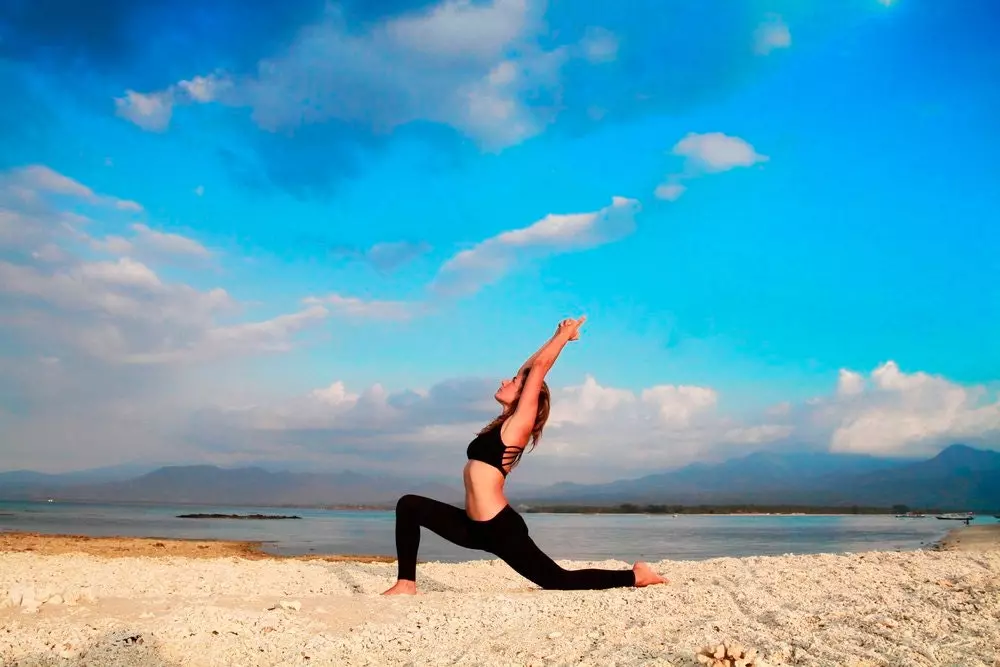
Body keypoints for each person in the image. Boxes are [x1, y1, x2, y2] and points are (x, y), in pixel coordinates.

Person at [382, 316, 668, 595]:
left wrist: (563, 337)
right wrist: (552, 336)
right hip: (470, 526)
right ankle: (407, 583)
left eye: (515, 382)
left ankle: (637, 576)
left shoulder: (519, 423)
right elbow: (529, 368)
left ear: (525, 397)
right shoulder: (502, 422)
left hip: (498, 528)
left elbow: (538, 369)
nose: (506, 380)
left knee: (557, 580)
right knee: (409, 505)